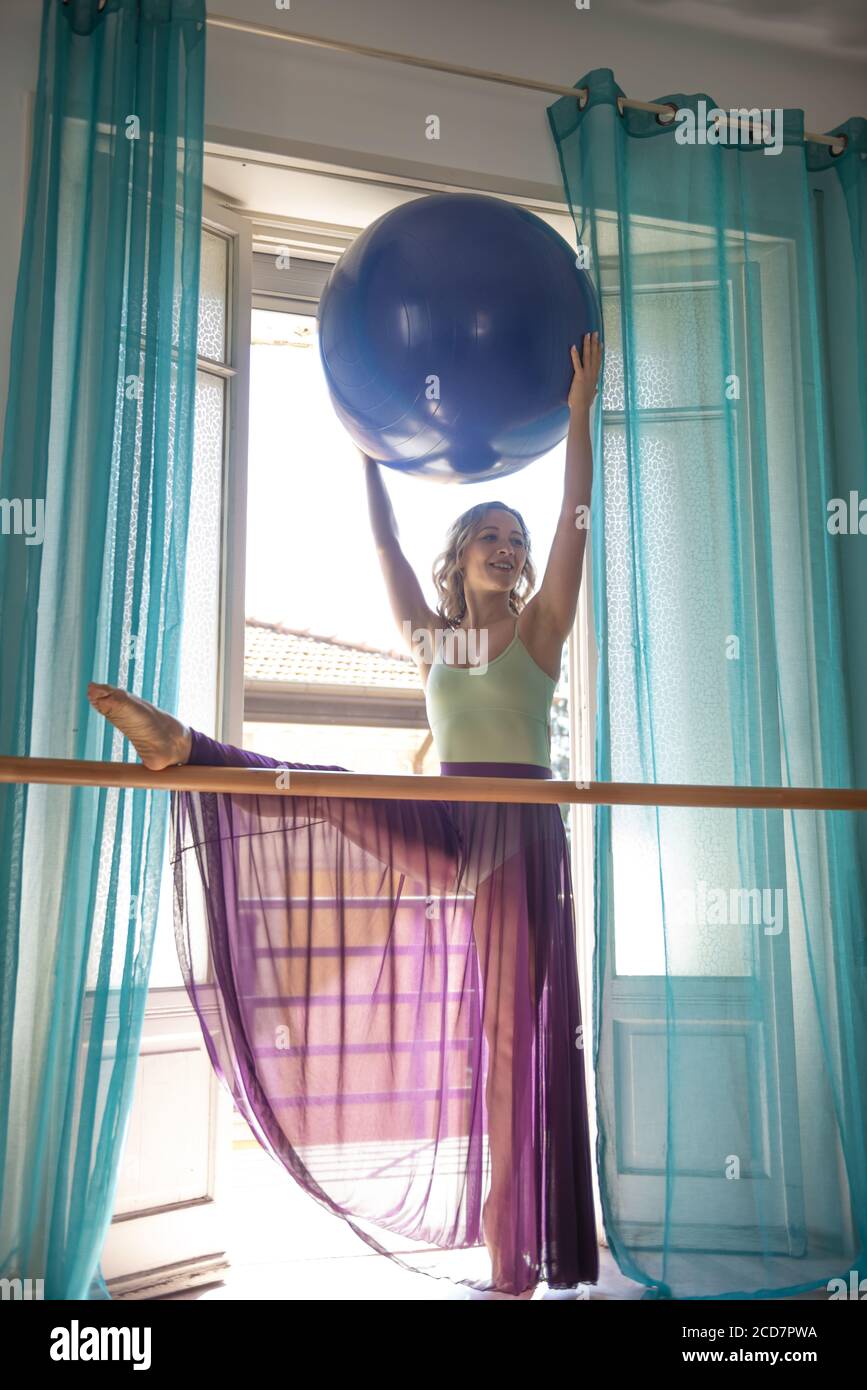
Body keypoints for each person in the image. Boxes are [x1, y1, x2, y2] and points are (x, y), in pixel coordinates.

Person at [88, 332, 603, 1300]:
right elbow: (383, 544)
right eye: (490, 535)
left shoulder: (541, 629)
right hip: (450, 817)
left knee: (508, 1044)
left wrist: (580, 412)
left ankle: (510, 1255)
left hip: (520, 836)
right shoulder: (431, 639)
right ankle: (189, 749)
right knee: (317, 781)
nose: (510, 547)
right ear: (462, 557)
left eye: (515, 540)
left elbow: (575, 522)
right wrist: (367, 448)